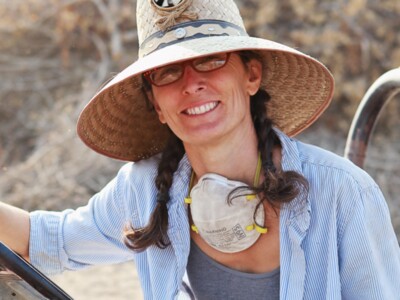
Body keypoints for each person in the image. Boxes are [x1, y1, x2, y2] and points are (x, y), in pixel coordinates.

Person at [1, 0, 399, 299]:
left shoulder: (344, 193)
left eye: (211, 60)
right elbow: (47, 239)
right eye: (169, 71)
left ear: (251, 75)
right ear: (156, 103)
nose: (191, 83)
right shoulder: (144, 189)